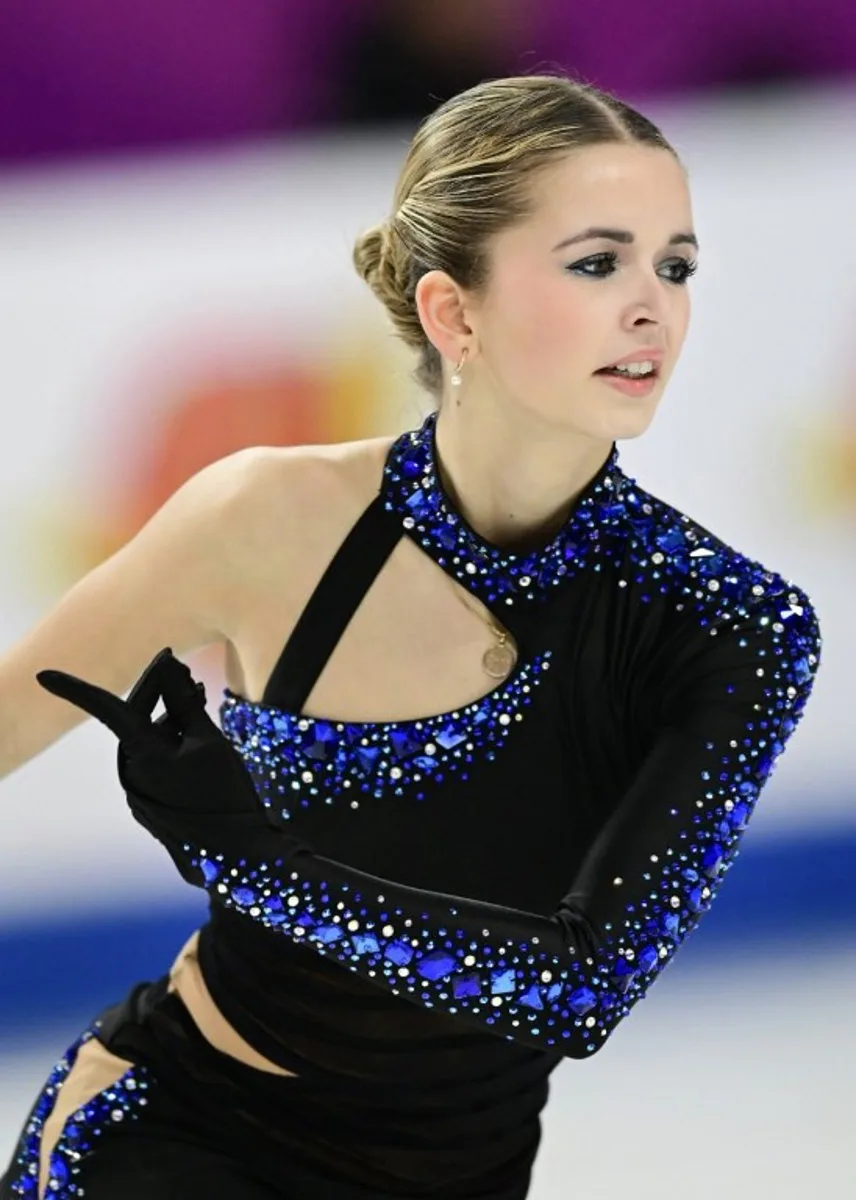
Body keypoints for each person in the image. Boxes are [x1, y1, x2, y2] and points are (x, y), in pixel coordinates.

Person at [0, 72, 821, 1200]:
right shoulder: (266, 521)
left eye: (673, 266)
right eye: (596, 262)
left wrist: (257, 863)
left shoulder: (728, 624)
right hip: (182, 1142)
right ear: (453, 312)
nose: (652, 307)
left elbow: (576, 992)